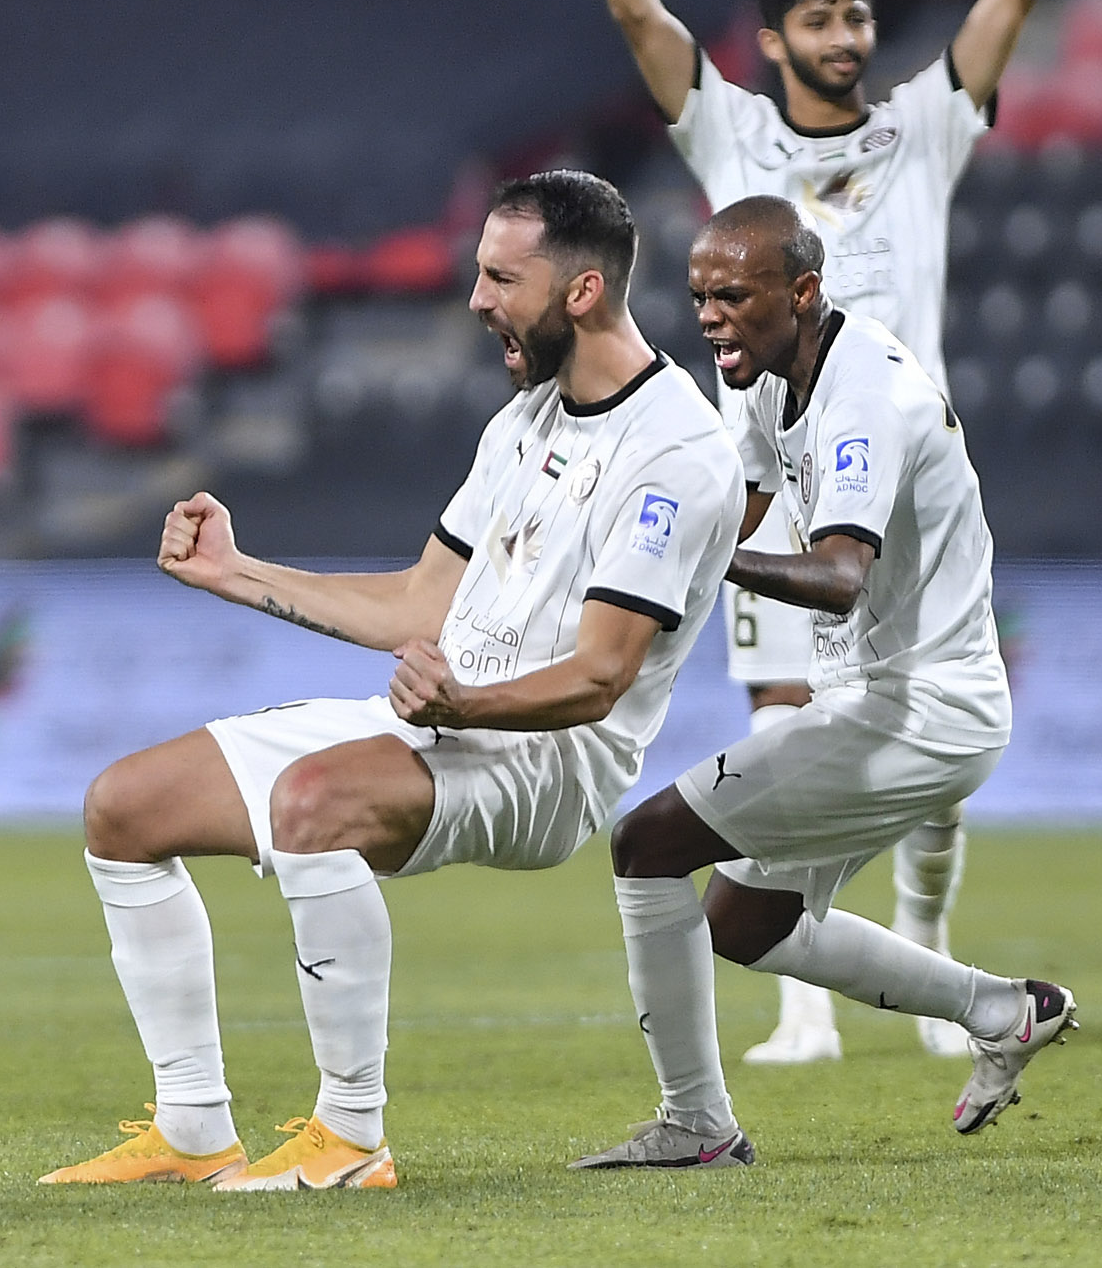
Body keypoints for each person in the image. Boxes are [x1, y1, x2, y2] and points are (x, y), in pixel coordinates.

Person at [551, 0, 1102, 1062]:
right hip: (774, 469)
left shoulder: (921, 128)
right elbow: (630, 4)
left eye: (856, 14)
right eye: (820, 18)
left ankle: (924, 952)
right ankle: (805, 1003)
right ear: (773, 38)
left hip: (906, 471)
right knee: (782, 723)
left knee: (916, 754)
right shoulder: (730, 135)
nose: (848, 35)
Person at [38, 171, 746, 1193]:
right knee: (124, 805)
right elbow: (420, 604)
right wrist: (236, 572)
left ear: (583, 290)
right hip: (445, 721)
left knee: (313, 802)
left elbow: (599, 677)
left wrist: (462, 703)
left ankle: (350, 1135)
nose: (477, 299)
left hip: (551, 758)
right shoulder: (523, 423)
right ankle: (191, 1129)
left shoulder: (675, 452)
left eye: (501, 278)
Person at [572, 197, 1075, 1169]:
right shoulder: (771, 375)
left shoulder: (861, 397)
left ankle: (696, 1125)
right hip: (874, 698)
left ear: (802, 291)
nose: (709, 316)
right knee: (742, 922)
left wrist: (696, 556)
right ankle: (1003, 1010)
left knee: (646, 843)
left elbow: (839, 575)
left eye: (732, 295)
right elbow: (741, 500)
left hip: (917, 708)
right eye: (699, 296)